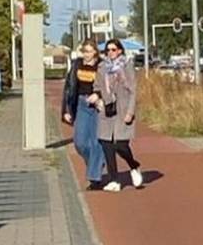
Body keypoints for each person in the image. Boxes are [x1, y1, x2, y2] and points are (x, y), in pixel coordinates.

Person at [93, 38, 144, 192]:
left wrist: (130, 112)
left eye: (113, 50)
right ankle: (114, 180)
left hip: (123, 109)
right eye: (108, 50)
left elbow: (133, 90)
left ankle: (133, 165)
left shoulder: (127, 66)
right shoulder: (102, 67)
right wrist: (98, 99)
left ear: (120, 51)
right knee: (106, 144)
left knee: (120, 144)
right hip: (107, 109)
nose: (110, 53)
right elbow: (96, 86)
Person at [61, 41, 106, 189]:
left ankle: (95, 178)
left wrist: (98, 95)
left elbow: (109, 85)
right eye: (84, 51)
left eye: (89, 51)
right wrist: (66, 110)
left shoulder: (102, 66)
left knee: (96, 141)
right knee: (80, 142)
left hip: (98, 105)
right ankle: (96, 163)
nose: (86, 54)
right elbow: (69, 87)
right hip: (81, 103)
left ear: (95, 52)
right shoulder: (76, 65)